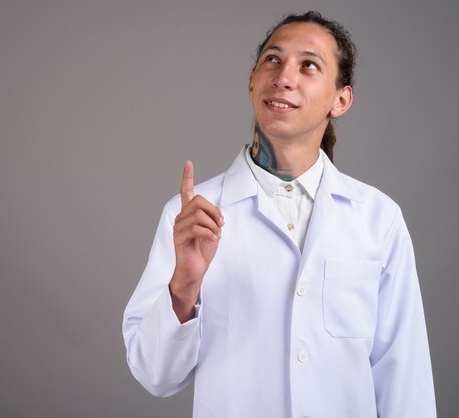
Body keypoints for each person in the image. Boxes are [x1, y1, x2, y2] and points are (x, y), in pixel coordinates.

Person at [122, 11, 436, 418]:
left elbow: (404, 380)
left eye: (309, 65)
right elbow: (154, 375)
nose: (284, 77)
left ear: (341, 100)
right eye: (272, 59)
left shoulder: (377, 219)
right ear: (251, 81)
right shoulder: (190, 217)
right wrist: (185, 285)